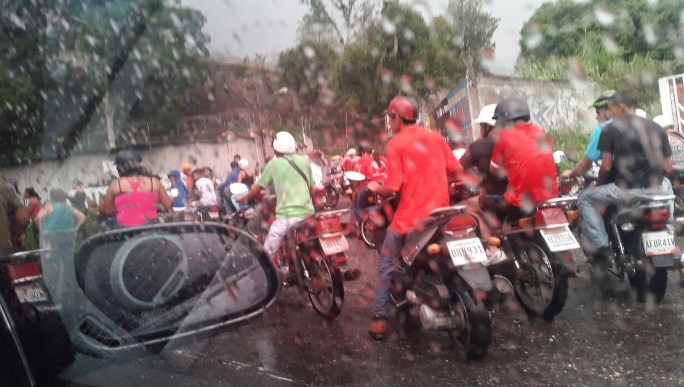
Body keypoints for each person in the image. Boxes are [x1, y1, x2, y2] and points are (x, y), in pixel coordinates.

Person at [365, 96, 463, 341]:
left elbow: (393, 186)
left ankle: (379, 317)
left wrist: (376, 188)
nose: (389, 122)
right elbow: (456, 171)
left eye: (389, 117)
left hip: (411, 219)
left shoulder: (396, 143)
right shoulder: (437, 137)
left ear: (397, 118)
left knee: (386, 263)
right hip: (441, 216)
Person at [578, 91, 674, 261]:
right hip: (656, 189)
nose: (609, 114)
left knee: (585, 198)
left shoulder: (610, 129)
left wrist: (599, 185)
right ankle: (670, 234)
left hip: (625, 190)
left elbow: (606, 166)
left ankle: (602, 245)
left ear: (621, 107)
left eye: (610, 109)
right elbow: (668, 166)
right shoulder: (657, 128)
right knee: (667, 189)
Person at [475, 97, 558, 263]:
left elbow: (495, 170)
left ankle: (496, 250)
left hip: (520, 200)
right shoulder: (539, 131)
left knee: (483, 204)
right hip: (550, 196)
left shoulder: (503, 136)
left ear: (505, 118)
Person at [237, 131, 315, 261]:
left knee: (267, 253)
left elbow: (256, 190)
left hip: (287, 216)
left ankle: (268, 273)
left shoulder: (273, 164)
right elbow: (311, 188)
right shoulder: (304, 161)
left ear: (276, 149)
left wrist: (243, 199)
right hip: (308, 214)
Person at [99, 150, 172, 228]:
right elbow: (168, 204)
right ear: (140, 166)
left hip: (124, 231)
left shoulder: (115, 185)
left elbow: (109, 211)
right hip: (151, 228)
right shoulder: (154, 182)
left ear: (119, 170)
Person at [36, 188, 86, 302]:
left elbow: (37, 218)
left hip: (52, 238)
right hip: (67, 237)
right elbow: (83, 217)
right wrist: (75, 229)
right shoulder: (69, 208)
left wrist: (42, 230)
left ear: (52, 197)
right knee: (68, 262)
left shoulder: (49, 207)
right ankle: (69, 288)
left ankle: (52, 288)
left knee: (53, 262)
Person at [561, 91, 615, 180]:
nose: (596, 117)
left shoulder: (601, 129)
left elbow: (585, 164)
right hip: (638, 183)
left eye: (598, 113)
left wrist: (570, 174)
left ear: (607, 112)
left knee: (587, 193)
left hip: (613, 184)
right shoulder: (631, 125)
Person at [0, 184, 30, 255]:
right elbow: (24, 216)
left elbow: (23, 216)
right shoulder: (4, 189)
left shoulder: (5, 190)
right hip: (5, 250)